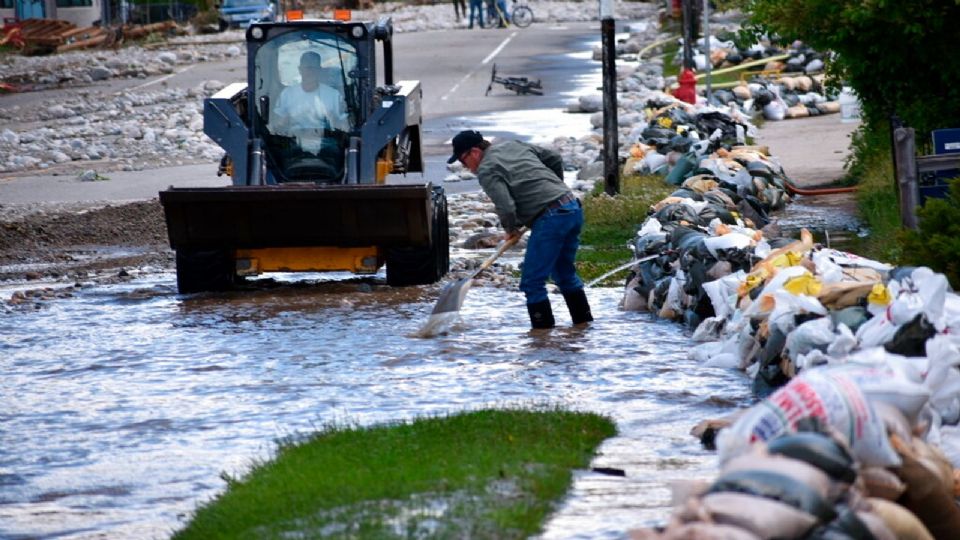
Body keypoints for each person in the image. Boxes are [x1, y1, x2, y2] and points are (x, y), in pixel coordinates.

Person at [447, 130, 593, 329]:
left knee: (532, 282)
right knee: (564, 274)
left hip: (551, 218)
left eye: (464, 161)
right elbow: (554, 157)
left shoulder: (487, 169)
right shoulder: (512, 145)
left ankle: (541, 341)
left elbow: (505, 206)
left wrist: (510, 229)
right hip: (571, 208)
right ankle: (583, 327)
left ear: (474, 152)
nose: (466, 167)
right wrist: (557, 186)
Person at [272, 51, 349, 153]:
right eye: (307, 68)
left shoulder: (334, 95)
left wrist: (334, 120)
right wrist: (286, 120)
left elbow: (345, 127)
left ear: (319, 70)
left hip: (327, 144)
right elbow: (276, 126)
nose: (310, 72)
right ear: (300, 70)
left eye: (314, 68)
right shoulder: (287, 94)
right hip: (293, 143)